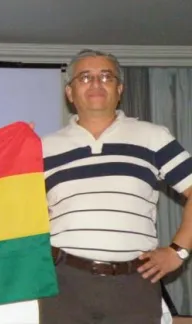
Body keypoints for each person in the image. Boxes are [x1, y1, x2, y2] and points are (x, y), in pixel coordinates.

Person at [39, 49, 192, 323]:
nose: (96, 83)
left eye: (105, 77)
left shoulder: (153, 136)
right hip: (62, 283)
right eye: (85, 77)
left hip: (135, 283)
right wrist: (15, 147)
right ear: (70, 93)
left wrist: (178, 252)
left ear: (119, 89)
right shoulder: (42, 148)